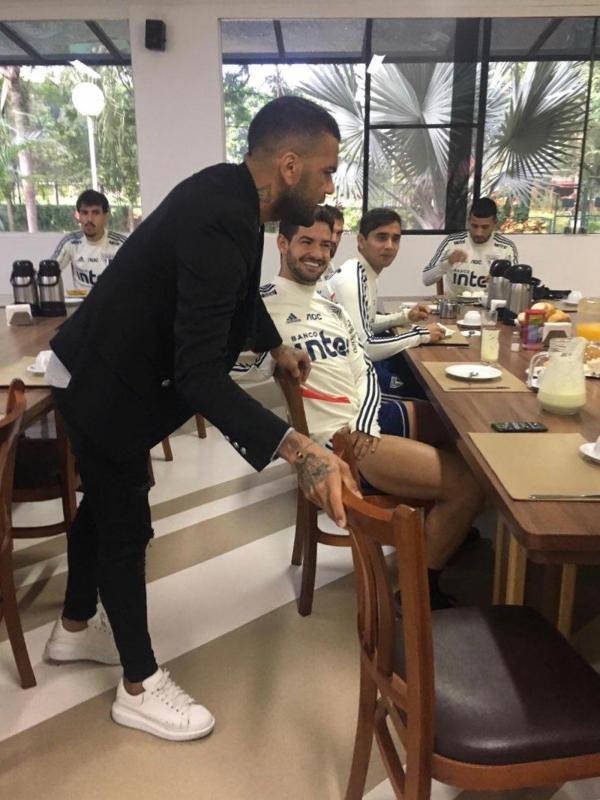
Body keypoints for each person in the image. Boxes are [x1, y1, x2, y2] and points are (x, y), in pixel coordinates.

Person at [43, 96, 359, 742]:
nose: (332, 183)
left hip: (106, 370)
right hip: (102, 380)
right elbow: (196, 376)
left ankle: (75, 628)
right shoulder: (223, 216)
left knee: (104, 510)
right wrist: (299, 448)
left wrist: (274, 347)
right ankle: (139, 685)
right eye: (328, 170)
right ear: (291, 166)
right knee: (125, 522)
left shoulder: (233, 200)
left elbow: (241, 298)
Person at [235, 209, 485, 607]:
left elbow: (365, 368)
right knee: (471, 484)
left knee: (462, 432)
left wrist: (367, 418)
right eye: (306, 242)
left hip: (363, 424)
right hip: (340, 444)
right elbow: (225, 370)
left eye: (324, 244)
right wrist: (270, 359)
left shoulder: (331, 309)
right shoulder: (258, 308)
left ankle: (442, 529)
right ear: (282, 244)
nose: (317, 253)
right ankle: (417, 592)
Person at [328, 207, 444, 397]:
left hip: (352, 364)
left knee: (420, 376)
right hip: (345, 382)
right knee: (429, 394)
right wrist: (421, 334)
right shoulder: (352, 278)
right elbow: (365, 346)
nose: (390, 245)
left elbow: (368, 323)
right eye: (381, 238)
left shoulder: (366, 272)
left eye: (395, 239)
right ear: (361, 242)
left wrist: (405, 316)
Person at [422, 197, 519, 298]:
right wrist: (447, 263)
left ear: (494, 223)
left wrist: (501, 282)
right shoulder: (452, 242)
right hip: (454, 307)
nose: (478, 233)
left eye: (485, 227)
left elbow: (516, 287)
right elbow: (426, 279)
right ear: (468, 221)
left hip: (489, 307)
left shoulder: (506, 247)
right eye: (474, 226)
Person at [51, 190, 128, 291]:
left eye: (95, 212)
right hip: (82, 305)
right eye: (84, 213)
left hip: (111, 305)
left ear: (105, 216)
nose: (89, 219)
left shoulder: (121, 245)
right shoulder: (70, 242)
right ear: (79, 216)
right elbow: (48, 273)